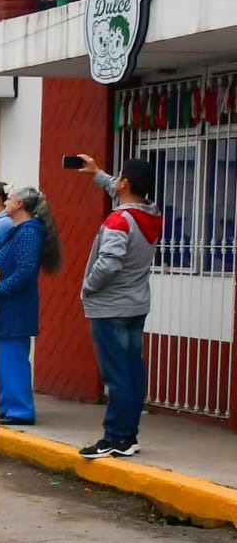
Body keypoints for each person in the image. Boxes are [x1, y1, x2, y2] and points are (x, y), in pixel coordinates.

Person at [75, 155, 162, 458]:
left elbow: (109, 264)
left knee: (116, 375)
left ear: (126, 183)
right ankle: (129, 435)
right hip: (136, 304)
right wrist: (98, 174)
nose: (116, 182)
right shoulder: (151, 213)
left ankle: (115, 436)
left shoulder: (118, 221)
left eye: (119, 178)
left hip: (110, 307)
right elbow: (120, 189)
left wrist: (88, 287)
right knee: (132, 370)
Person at [0, 187, 61, 426]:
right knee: (3, 359)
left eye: (9, 199)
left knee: (12, 359)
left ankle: (20, 409)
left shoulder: (29, 232)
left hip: (14, 309)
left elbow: (25, 272)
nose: (5, 202)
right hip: (6, 308)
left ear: (20, 204)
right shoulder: (21, 230)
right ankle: (8, 405)